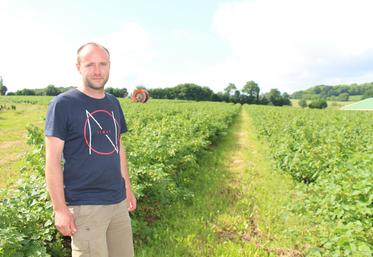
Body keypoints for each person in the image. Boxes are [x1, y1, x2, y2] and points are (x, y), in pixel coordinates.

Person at [44, 42, 136, 257]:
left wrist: (127, 188)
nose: (97, 70)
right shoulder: (63, 104)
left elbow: (118, 147)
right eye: (90, 64)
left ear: (109, 66)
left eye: (102, 64)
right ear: (79, 67)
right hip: (86, 207)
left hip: (118, 203)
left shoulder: (113, 102)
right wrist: (60, 209)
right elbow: (52, 161)